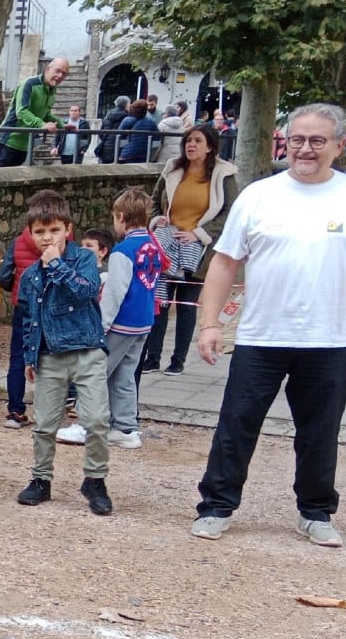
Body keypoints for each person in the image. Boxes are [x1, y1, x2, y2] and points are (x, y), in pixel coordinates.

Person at [191, 104, 346, 547]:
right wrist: (209, 324)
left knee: (320, 434)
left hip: (327, 339)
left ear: (338, 146)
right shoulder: (259, 195)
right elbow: (225, 263)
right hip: (260, 336)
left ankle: (316, 512)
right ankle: (216, 506)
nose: (306, 149)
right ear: (285, 142)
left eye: (318, 140)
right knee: (236, 425)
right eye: (298, 140)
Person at [15, 191, 113, 515]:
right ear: (31, 233)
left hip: (87, 349)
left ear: (67, 229)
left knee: (97, 419)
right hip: (50, 355)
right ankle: (41, 479)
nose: (47, 238)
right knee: (44, 423)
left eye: (54, 230)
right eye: (40, 232)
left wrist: (56, 264)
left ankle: (95, 479)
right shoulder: (30, 276)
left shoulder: (83, 258)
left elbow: (86, 291)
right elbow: (31, 319)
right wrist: (30, 358)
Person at [59, 188, 159, 451]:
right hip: (143, 321)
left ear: (121, 216)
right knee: (124, 375)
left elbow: (115, 292)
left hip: (121, 323)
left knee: (95, 372)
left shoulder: (123, 250)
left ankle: (85, 424)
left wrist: (100, 326)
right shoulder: (152, 245)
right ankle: (125, 427)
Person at [144, 122, 235, 373]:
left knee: (186, 304)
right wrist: (156, 220)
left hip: (198, 250)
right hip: (167, 245)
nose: (190, 145)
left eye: (197, 141)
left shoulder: (223, 174)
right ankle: (152, 357)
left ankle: (178, 359)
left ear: (210, 147)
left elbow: (229, 213)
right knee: (161, 300)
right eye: (188, 141)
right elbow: (154, 201)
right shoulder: (172, 168)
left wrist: (199, 235)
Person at [0, 214, 43, 428]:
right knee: (48, 356)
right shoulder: (64, 241)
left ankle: (15, 410)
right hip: (48, 306)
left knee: (17, 356)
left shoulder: (18, 242)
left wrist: (13, 287)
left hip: (22, 305)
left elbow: (4, 273)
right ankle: (45, 411)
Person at [0, 58, 70, 166]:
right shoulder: (29, 83)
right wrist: (42, 124)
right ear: (47, 69)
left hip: (25, 144)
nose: (60, 76)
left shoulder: (52, 91)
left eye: (64, 74)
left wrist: (62, 125)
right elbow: (21, 111)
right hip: (8, 141)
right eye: (57, 71)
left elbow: (45, 114)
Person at [117, 98, 159, 164]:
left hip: (127, 154)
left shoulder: (127, 120)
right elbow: (157, 138)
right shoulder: (151, 121)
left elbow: (119, 135)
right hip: (144, 154)